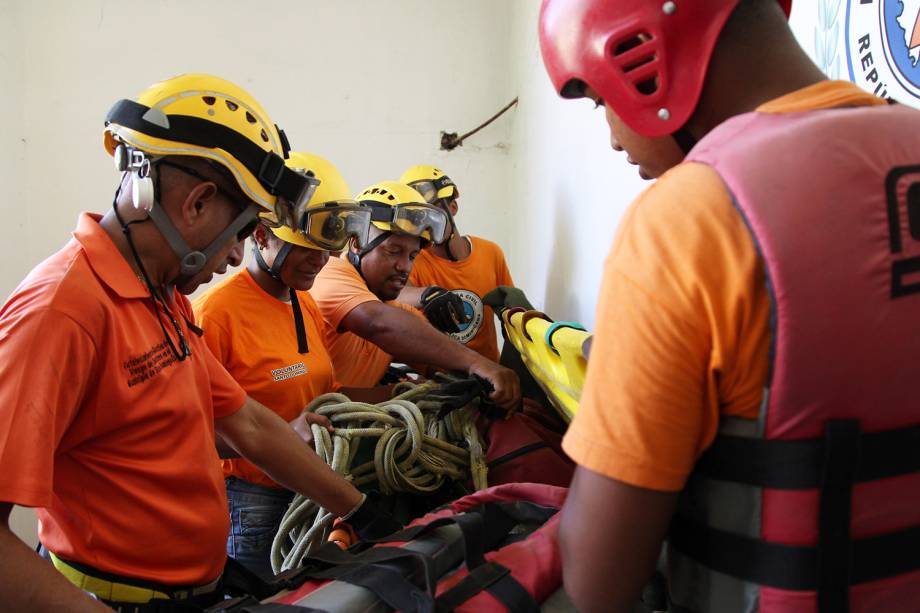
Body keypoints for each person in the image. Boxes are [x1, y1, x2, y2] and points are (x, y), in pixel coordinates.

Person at [539, 1, 920, 612]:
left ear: (643, 58)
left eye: (598, 102)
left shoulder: (693, 217)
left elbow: (598, 583)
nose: (611, 136)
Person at [0, 74, 393, 612]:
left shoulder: (163, 297)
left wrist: (363, 512)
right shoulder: (60, 313)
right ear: (198, 203)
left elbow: (247, 424)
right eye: (241, 231)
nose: (235, 257)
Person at [193, 151, 396, 580]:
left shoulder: (304, 302)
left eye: (326, 252)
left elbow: (322, 394)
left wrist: (396, 400)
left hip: (311, 488)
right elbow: (194, 435)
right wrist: (286, 434)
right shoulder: (216, 313)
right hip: (253, 499)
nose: (320, 263)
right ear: (262, 235)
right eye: (308, 250)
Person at [310, 180, 521, 410]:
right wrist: (477, 363)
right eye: (393, 251)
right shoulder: (330, 272)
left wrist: (482, 384)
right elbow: (376, 322)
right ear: (356, 244)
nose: (405, 267)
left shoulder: (397, 315)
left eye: (412, 256)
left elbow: (437, 362)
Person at [397, 165, 514, 363]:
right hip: (439, 379)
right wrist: (427, 294)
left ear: (452, 208)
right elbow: (397, 294)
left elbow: (511, 313)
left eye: (433, 212)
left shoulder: (490, 253)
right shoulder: (414, 259)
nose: (428, 224)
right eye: (418, 218)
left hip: (492, 375)